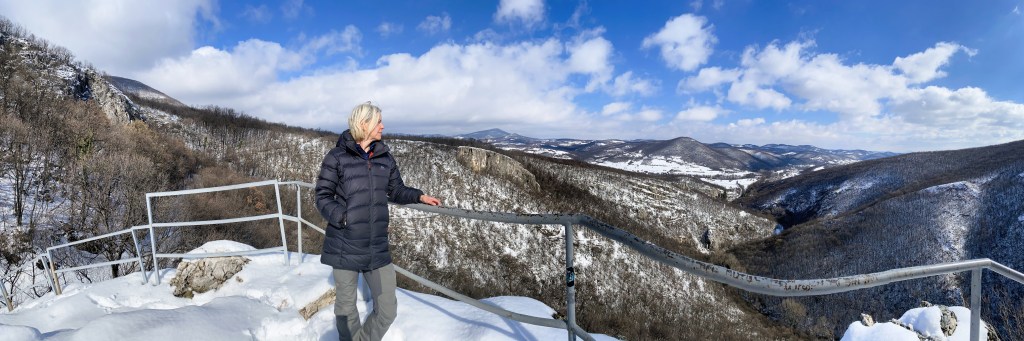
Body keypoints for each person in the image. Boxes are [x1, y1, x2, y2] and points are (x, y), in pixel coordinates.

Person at [315, 101, 441, 341]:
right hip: (345, 243)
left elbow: (396, 190)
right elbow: (322, 196)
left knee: (387, 310)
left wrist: (419, 195)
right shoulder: (337, 157)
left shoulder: (384, 156)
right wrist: (343, 217)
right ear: (364, 124)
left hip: (376, 246)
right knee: (345, 309)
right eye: (378, 122)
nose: (383, 126)